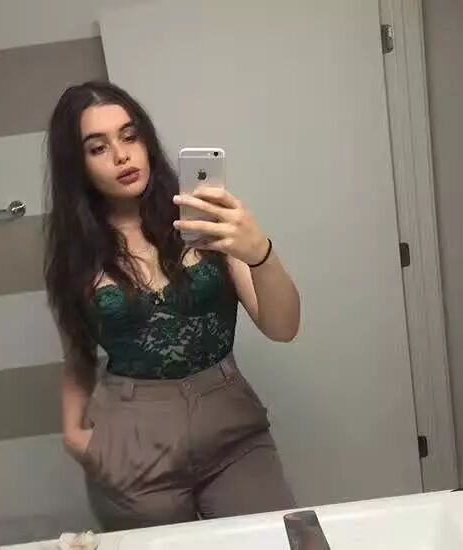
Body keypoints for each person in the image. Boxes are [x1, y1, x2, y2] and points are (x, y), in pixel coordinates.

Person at [44, 81, 300, 531]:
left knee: (272, 540)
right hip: (132, 440)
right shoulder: (76, 254)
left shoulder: (203, 218)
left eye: (129, 136)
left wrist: (260, 252)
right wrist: (75, 436)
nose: (121, 155)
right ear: (77, 164)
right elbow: (78, 354)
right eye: (98, 147)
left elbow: (283, 328)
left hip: (230, 426)